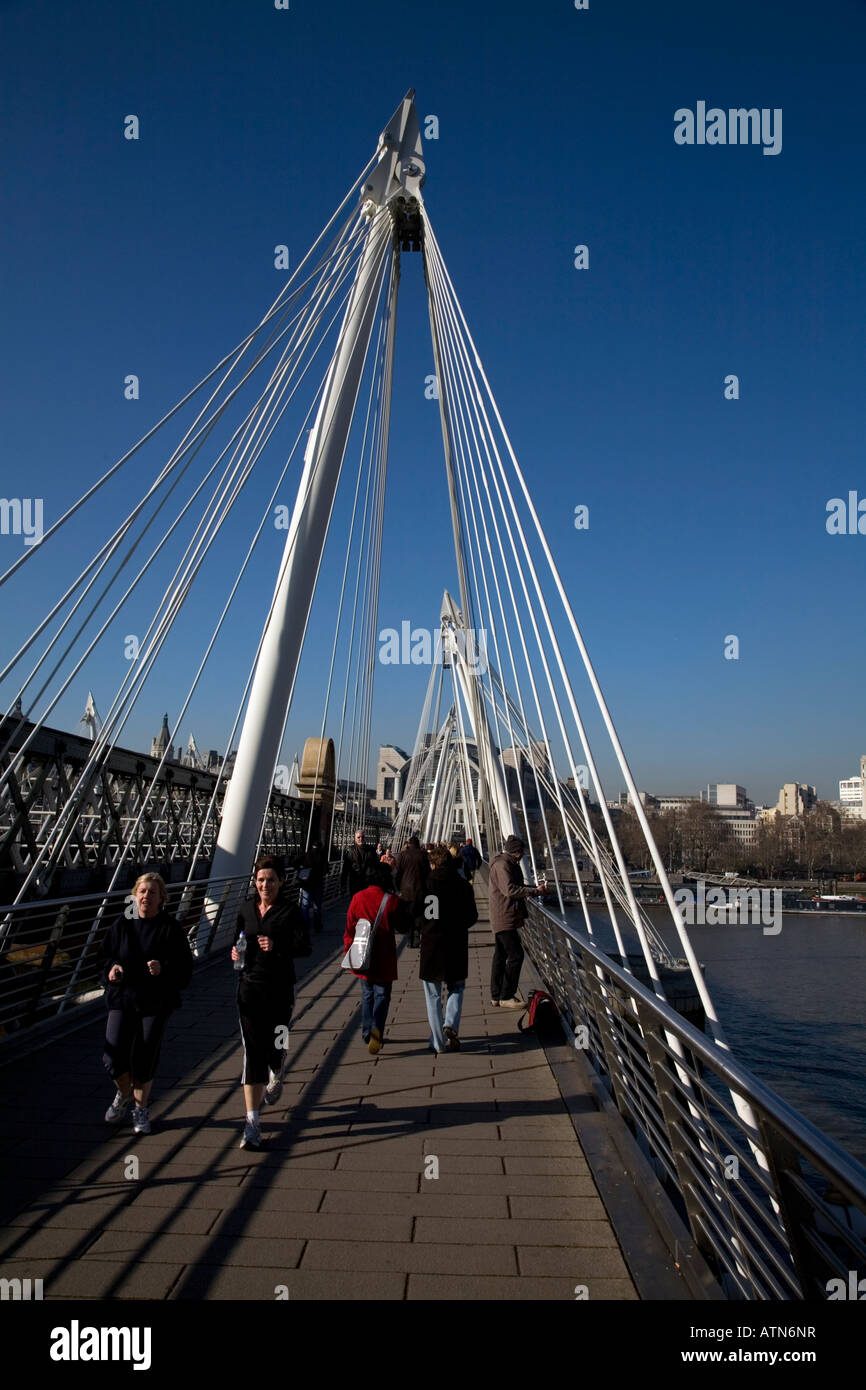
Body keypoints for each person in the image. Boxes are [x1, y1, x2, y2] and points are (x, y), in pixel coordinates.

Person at [101, 872, 193, 1135]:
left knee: (145, 1055)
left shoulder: (170, 929)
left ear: (161, 898)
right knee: (112, 1055)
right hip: (123, 997)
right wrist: (111, 968)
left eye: (152, 893)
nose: (146, 897)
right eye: (142, 892)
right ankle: (124, 1093)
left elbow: (185, 968)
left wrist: (163, 967)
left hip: (155, 1001)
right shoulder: (122, 925)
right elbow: (104, 956)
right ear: (134, 895)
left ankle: (140, 1110)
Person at [231, 855, 311, 1151]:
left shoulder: (290, 912)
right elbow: (238, 939)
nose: (266, 884)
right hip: (249, 987)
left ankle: (277, 1068)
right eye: (261, 879)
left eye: (271, 879)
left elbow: (305, 947)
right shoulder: (245, 910)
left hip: (280, 988)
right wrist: (235, 954)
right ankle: (252, 1123)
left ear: (281, 882)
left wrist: (278, 946)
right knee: (253, 1052)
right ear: (255, 882)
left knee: (277, 1043)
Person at [343, 862, 409, 1055]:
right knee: (382, 995)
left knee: (367, 995)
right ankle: (377, 1028)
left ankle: (366, 1031)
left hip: (363, 955)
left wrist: (348, 948)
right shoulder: (391, 901)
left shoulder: (358, 897)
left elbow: (349, 926)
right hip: (384, 956)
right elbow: (402, 926)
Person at [419, 845, 478, 1052]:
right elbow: (472, 916)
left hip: (432, 945)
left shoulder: (426, 884)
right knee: (457, 987)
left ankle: (437, 1042)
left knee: (432, 994)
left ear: (432, 864)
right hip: (456, 944)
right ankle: (450, 1023)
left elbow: (418, 914)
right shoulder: (463, 886)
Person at [488, 834, 545, 1009]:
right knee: (516, 955)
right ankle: (506, 995)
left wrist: (531, 889)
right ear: (517, 852)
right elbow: (510, 890)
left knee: (501, 955)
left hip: (503, 915)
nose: (522, 857)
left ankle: (496, 995)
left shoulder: (502, 863)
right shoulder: (503, 865)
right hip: (505, 916)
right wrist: (533, 891)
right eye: (522, 853)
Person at [394, 833, 429, 948]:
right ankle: (417, 936)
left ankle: (409, 940)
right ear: (418, 844)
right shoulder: (423, 855)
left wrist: (397, 888)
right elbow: (427, 872)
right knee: (419, 914)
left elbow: (397, 873)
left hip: (406, 890)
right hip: (420, 889)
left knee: (408, 915)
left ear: (409, 844)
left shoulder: (403, 855)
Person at [340, 829, 377, 897]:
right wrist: (343, 884)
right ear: (355, 838)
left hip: (368, 883)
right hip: (355, 883)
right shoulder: (350, 850)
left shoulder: (371, 850)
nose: (361, 839)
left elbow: (376, 865)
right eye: (358, 837)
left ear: (365, 838)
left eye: (362, 837)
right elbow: (345, 868)